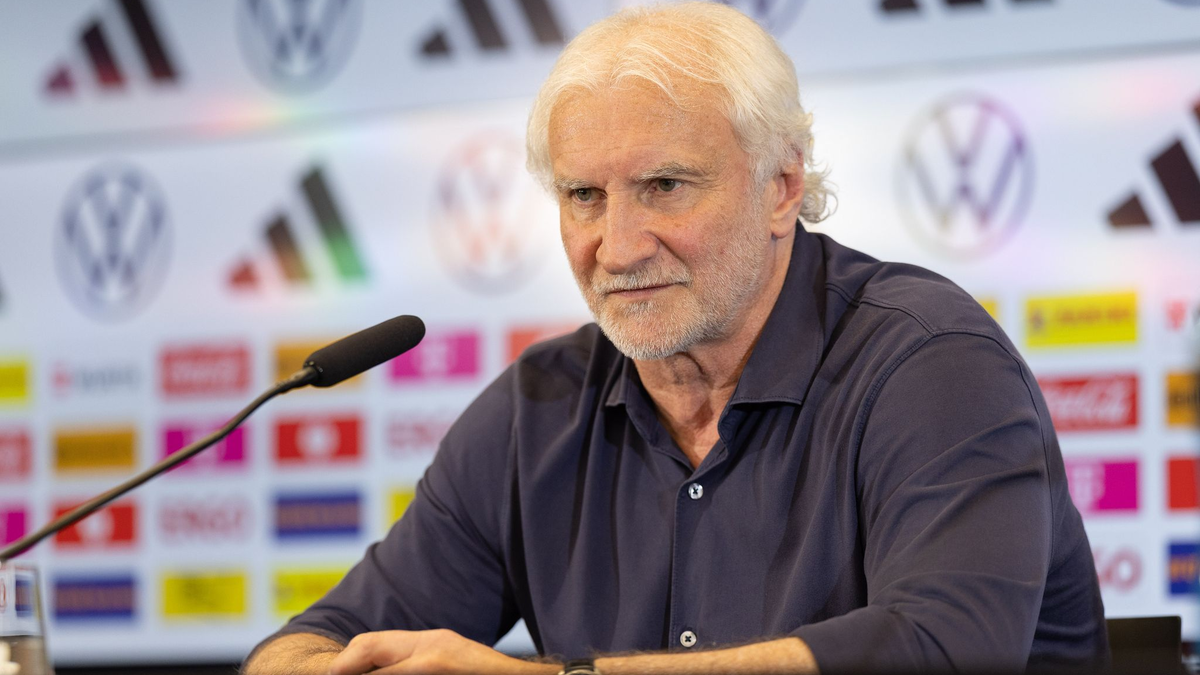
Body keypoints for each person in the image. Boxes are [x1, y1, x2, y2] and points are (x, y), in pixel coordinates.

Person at [243, 4, 1108, 674]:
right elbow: (310, 641)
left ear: (781, 187)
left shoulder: (930, 362)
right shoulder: (537, 409)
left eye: (663, 186)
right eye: (584, 196)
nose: (615, 247)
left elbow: (946, 651)